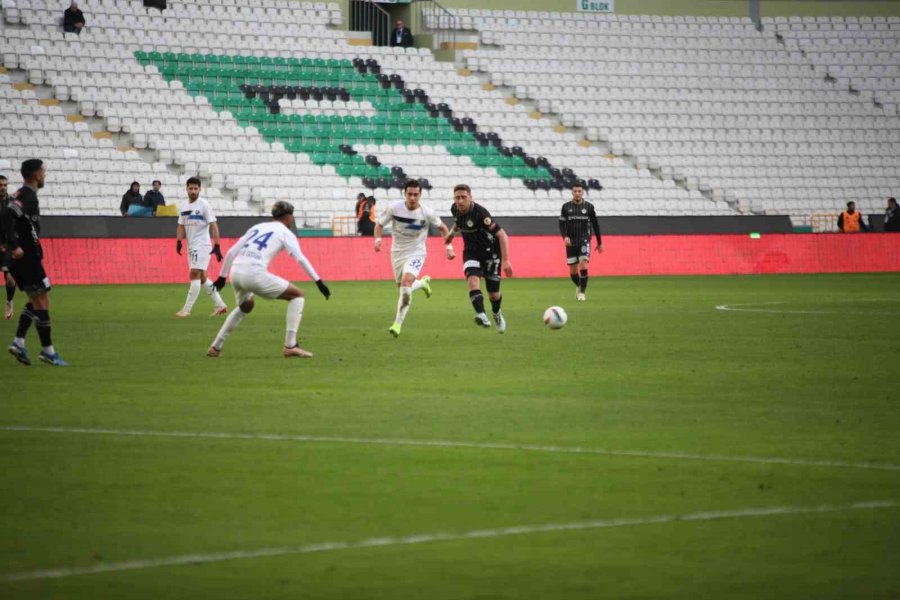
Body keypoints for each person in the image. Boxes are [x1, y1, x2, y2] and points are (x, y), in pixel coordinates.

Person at [208, 201, 331, 358]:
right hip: (254, 273)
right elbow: (300, 259)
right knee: (297, 295)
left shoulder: (257, 227)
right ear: (288, 217)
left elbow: (232, 252)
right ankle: (290, 345)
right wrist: (318, 281)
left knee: (246, 305)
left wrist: (221, 277)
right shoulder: (286, 233)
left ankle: (216, 347)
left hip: (236, 272)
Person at [1, 159, 67, 366]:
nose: (44, 175)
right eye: (42, 171)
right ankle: (47, 350)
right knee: (42, 300)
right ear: (35, 174)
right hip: (26, 258)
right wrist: (13, 245)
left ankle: (19, 341)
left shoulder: (23, 194)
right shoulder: (28, 196)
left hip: (26, 257)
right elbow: (6, 215)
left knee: (38, 296)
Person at [374, 179, 452, 337]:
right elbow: (379, 224)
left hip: (417, 251)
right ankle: (423, 283)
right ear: (405, 194)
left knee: (406, 284)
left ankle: (397, 324)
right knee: (403, 289)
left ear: (420, 195)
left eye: (416, 194)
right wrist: (378, 239)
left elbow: (444, 229)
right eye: (409, 194)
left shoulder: (427, 212)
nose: (412, 198)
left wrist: (449, 248)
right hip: (397, 252)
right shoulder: (394, 208)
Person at [443, 184, 512, 332]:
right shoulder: (454, 208)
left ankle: (496, 313)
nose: (460, 201)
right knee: (472, 280)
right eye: (457, 197)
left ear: (470, 197)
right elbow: (458, 222)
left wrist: (506, 260)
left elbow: (502, 235)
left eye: (463, 197)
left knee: (493, 295)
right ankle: (481, 314)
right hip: (471, 252)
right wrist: (451, 234)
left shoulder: (481, 214)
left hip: (490, 252)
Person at [175, 176, 228, 317]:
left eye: (195, 188)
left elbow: (214, 225)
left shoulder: (204, 205)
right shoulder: (183, 206)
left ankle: (186, 309)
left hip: (202, 245)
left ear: (200, 189)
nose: (193, 191)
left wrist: (217, 244)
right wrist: (179, 241)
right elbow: (180, 225)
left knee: (194, 274)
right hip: (191, 246)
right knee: (203, 277)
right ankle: (220, 305)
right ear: (186, 189)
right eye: (190, 188)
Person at [558, 182, 603, 301]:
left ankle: (582, 293)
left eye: (579, 191)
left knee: (583, 263)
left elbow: (596, 225)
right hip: (571, 242)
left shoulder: (589, 207)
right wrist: (565, 237)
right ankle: (579, 286)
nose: (577, 193)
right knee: (573, 271)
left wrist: (599, 242)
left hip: (584, 239)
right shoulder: (566, 207)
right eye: (575, 191)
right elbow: (561, 224)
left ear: (583, 192)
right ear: (572, 193)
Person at [0, 174, 17, 320]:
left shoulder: (13, 202)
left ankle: (9, 301)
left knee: (10, 279)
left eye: (5, 185)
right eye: (0, 185)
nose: (3, 187)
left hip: (9, 245)